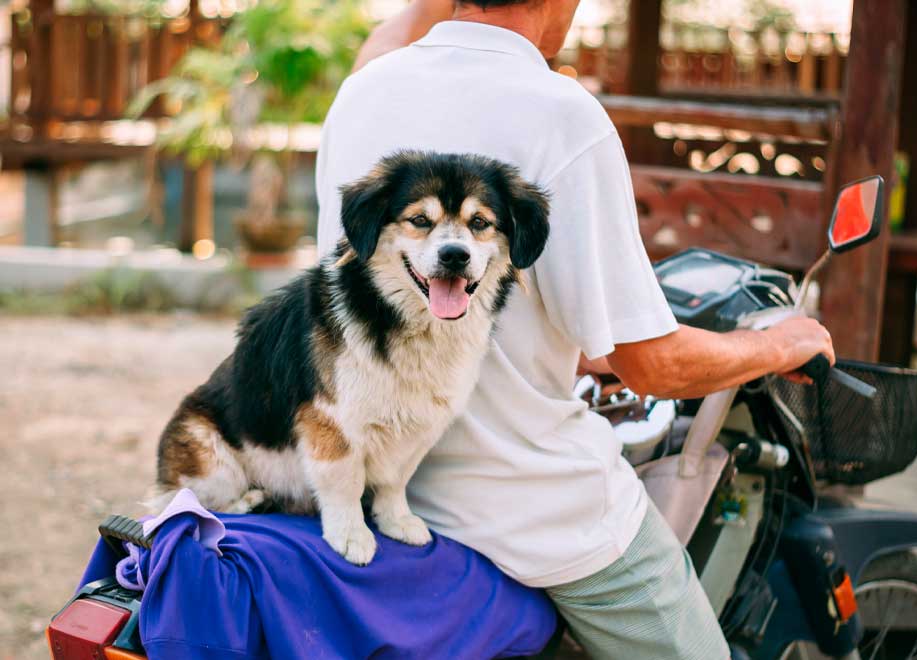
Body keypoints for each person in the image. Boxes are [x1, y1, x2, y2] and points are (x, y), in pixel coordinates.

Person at [314, 1, 835, 657]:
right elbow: (653, 366)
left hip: (371, 474)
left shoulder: (363, 92)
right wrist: (780, 343)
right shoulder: (561, 113)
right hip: (523, 501)